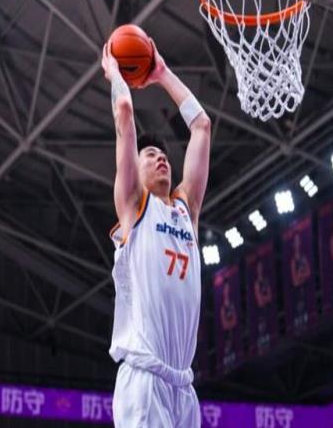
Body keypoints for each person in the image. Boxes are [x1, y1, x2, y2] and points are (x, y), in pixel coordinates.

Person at [102, 36, 211, 428]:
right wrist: (115, 73)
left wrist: (162, 73)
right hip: (144, 378)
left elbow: (201, 126)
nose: (161, 158)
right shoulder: (135, 205)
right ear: (135, 167)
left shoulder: (186, 210)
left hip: (183, 387)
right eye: (150, 155)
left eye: (164, 155)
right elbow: (125, 113)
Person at [290, 233, 311, 320]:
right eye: (296, 241)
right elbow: (295, 281)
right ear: (293, 244)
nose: (297, 243)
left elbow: (308, 273)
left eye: (298, 240)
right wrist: (302, 275)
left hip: (306, 288)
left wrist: (300, 275)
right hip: (298, 292)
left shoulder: (303, 257)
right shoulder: (293, 261)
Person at [220, 280, 238, 358]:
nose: (227, 291)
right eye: (225, 289)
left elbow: (235, 321)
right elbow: (225, 325)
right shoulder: (222, 308)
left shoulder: (232, 304)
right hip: (226, 336)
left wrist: (230, 323)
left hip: (233, 334)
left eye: (228, 289)